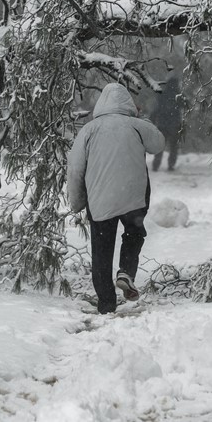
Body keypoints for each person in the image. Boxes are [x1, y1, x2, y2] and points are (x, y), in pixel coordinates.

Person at [67, 83, 165, 314]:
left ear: (102, 104)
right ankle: (126, 272)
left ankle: (106, 303)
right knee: (134, 232)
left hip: (99, 198)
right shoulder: (137, 125)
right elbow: (158, 144)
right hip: (133, 197)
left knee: (102, 249)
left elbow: (75, 169)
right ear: (128, 104)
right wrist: (144, 121)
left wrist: (77, 201)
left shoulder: (89, 129)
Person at [150, 76, 184, 171]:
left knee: (160, 146)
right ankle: (171, 165)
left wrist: (152, 119)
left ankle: (156, 164)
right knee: (173, 147)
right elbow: (185, 105)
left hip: (162, 124)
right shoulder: (179, 96)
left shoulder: (162, 94)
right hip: (174, 124)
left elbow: (157, 108)